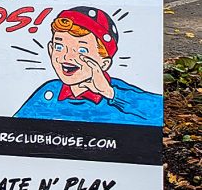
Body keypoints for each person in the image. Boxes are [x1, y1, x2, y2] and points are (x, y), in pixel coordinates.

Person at [15, 7, 161, 126]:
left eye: (82, 50)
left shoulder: (118, 94)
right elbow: (14, 130)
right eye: (59, 47)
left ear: (104, 63)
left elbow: (158, 112)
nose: (67, 57)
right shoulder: (49, 92)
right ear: (50, 49)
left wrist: (110, 93)